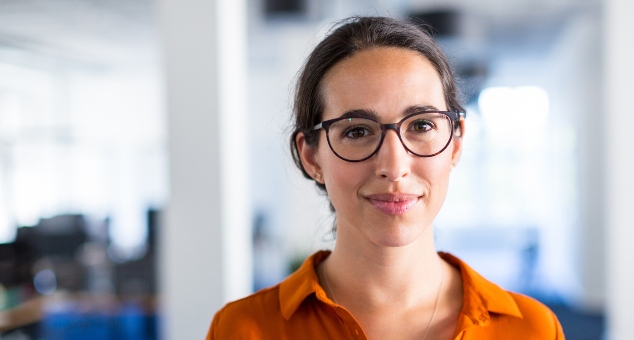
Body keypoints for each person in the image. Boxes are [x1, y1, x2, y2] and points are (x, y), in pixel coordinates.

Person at [206, 16, 565, 339]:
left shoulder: (532, 329)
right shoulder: (244, 330)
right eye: (358, 131)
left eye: (422, 125)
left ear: (455, 145)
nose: (394, 166)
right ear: (311, 155)